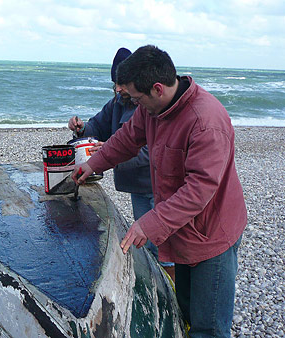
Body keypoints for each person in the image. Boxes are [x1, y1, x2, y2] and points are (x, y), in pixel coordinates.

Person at [72, 45, 247, 337]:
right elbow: (127, 138)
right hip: (183, 231)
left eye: (136, 98)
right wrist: (93, 164)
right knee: (187, 310)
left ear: (157, 88)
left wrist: (150, 223)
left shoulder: (206, 122)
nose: (134, 105)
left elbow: (199, 190)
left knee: (210, 327)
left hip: (212, 233)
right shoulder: (152, 109)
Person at [67, 47, 175, 280]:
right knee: (149, 244)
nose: (118, 89)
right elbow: (100, 128)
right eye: (115, 83)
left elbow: (149, 151)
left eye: (122, 84)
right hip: (138, 186)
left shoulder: (150, 107)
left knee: (166, 249)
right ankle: (157, 284)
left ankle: (172, 295)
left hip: (159, 185)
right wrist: (82, 128)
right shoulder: (117, 102)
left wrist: (109, 154)